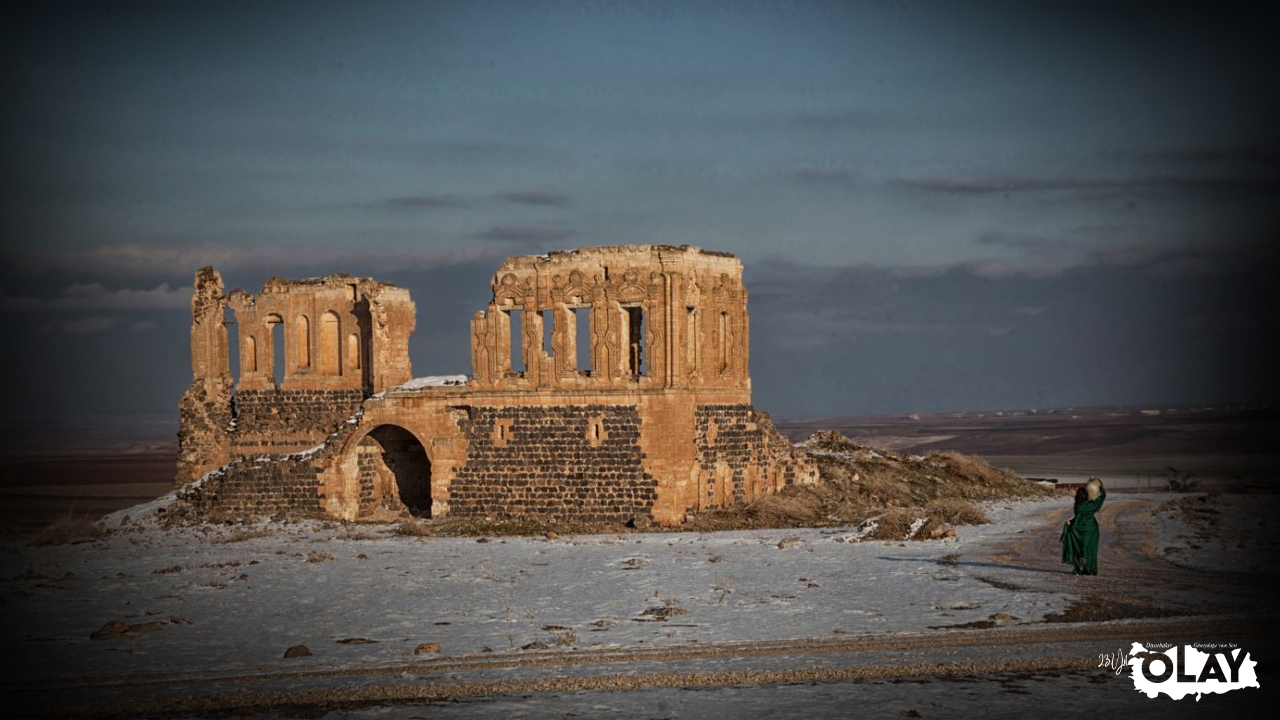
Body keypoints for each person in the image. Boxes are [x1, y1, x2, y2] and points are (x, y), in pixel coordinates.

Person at [1060, 477, 1106, 575]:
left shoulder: (1078, 506)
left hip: (1081, 530)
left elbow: (1078, 519)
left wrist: (1070, 523)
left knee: (1079, 549)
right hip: (1092, 529)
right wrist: (1099, 485)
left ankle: (1080, 568)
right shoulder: (1092, 504)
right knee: (1092, 549)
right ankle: (1091, 569)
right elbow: (1102, 497)